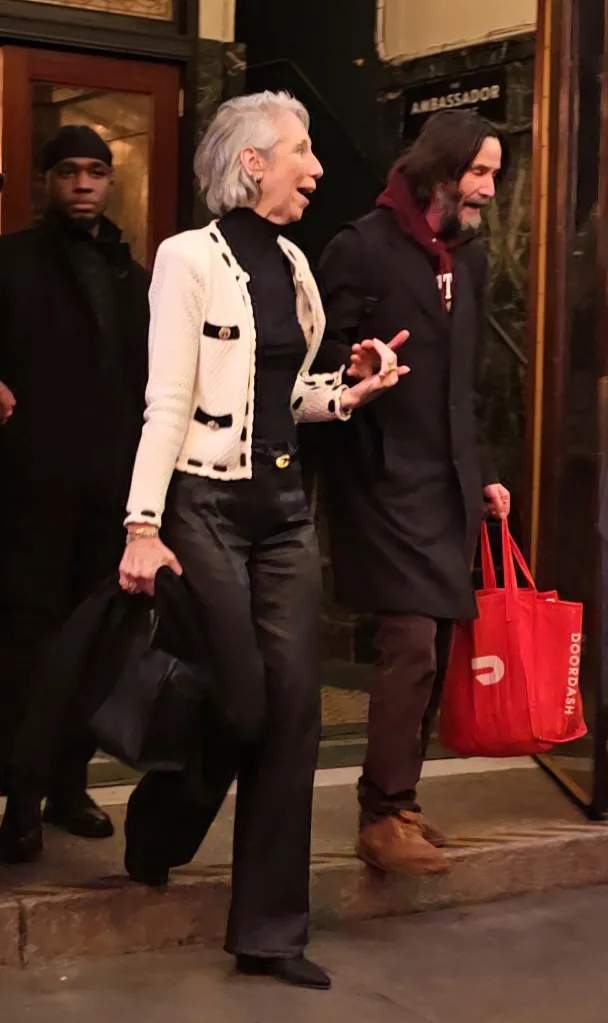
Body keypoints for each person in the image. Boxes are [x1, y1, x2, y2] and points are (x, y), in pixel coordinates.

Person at [118, 91, 407, 991]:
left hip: (282, 512)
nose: (316, 168)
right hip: (203, 505)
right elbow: (170, 399)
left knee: (293, 714)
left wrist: (347, 391)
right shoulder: (187, 259)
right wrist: (142, 523)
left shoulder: (293, 264)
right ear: (253, 162)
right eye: (300, 150)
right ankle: (158, 825)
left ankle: (270, 931)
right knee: (240, 701)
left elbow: (283, 396)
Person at [316, 110, 511, 876]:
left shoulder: (471, 258)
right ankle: (380, 813)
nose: (490, 189)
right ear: (440, 170)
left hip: (446, 481)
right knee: (410, 643)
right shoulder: (361, 247)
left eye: (494, 174)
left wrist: (483, 467)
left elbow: (467, 381)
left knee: (437, 645)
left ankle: (401, 803)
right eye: (480, 172)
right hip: (380, 478)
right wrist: (355, 366)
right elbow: (316, 357)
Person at [0, 125, 150, 862]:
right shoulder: (10, 261)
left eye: (95, 171)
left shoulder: (134, 275)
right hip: (29, 492)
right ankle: (21, 801)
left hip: (111, 493)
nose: (83, 184)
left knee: (96, 646)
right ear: (46, 181)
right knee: (28, 649)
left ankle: (69, 786)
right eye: (68, 171)